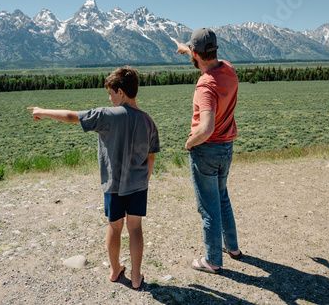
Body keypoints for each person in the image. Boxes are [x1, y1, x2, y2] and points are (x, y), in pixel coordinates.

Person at [27, 66, 160, 289]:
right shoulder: (148, 121)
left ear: (120, 92)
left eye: (110, 93)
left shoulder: (105, 115)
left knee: (114, 227)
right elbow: (151, 157)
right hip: (137, 185)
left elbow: (71, 116)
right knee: (135, 228)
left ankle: (115, 270)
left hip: (113, 186)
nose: (109, 98)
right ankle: (136, 278)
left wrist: (42, 111)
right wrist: (144, 181)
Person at [174, 28, 242, 274]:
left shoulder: (205, 86)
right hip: (226, 148)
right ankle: (232, 247)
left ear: (196, 54)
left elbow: (206, 128)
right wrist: (186, 49)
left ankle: (212, 260)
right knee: (222, 198)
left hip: (207, 150)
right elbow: (205, 60)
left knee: (208, 207)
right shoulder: (229, 69)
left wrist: (190, 142)